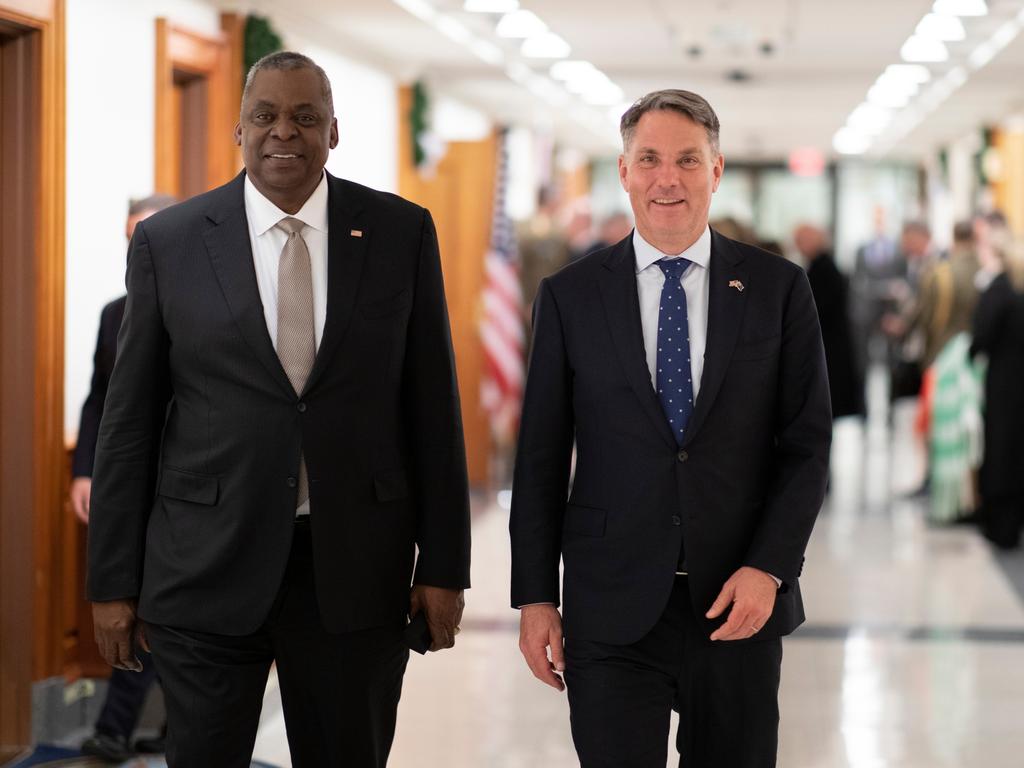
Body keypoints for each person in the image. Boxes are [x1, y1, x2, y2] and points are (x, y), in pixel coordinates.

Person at [86, 51, 471, 768]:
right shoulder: (170, 244)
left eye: (304, 117)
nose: (283, 133)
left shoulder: (399, 233)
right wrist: (112, 581)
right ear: (238, 130)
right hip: (203, 567)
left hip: (354, 572)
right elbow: (129, 421)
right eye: (264, 116)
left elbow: (432, 412)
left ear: (334, 130)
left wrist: (445, 566)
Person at [510, 89, 831, 767]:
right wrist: (536, 595)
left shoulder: (778, 290)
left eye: (688, 159)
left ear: (715, 172)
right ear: (623, 172)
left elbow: (806, 446)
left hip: (735, 601)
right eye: (649, 159)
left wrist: (770, 568)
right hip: (610, 603)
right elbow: (539, 456)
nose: (668, 178)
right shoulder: (570, 297)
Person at [71, 194, 176, 762]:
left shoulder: (203, 307)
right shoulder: (116, 312)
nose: (141, 247)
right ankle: (136, 729)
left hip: (189, 489)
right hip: (126, 488)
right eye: (132, 235)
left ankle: (126, 728)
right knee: (135, 603)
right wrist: (82, 469)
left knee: (165, 605)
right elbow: (98, 400)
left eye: (151, 234)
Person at [971, 239, 1024, 548]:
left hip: (1004, 382)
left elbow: (982, 337)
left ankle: (1000, 526)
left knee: (1002, 450)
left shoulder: (999, 290)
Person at [794, 223, 864, 419]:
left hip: (830, 347)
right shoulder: (820, 266)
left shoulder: (823, 269)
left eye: (800, 241)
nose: (797, 246)